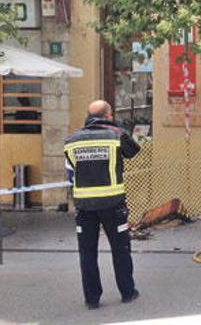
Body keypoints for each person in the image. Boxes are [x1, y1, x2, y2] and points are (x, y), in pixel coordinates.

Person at [64, 100, 141, 309]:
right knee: (120, 249)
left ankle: (92, 299)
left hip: (84, 206)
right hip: (112, 203)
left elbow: (73, 166)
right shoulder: (115, 135)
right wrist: (116, 129)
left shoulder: (71, 140)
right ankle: (127, 292)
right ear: (108, 115)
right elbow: (134, 151)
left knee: (87, 253)